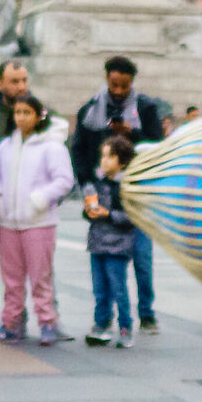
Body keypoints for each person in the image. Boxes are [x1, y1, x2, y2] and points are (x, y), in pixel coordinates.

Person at [69, 56, 169, 335]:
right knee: (106, 259)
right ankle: (105, 318)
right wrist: (86, 185)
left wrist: (131, 134)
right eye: (114, 85)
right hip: (102, 191)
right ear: (106, 79)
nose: (119, 91)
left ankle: (146, 313)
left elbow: (156, 147)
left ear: (132, 83)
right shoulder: (90, 110)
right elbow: (78, 149)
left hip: (136, 192)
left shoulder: (146, 108)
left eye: (125, 86)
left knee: (142, 257)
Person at [0, 93, 75, 346]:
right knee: (11, 278)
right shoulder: (5, 146)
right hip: (9, 221)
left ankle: (47, 323)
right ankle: (11, 323)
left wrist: (40, 199)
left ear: (37, 116)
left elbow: (64, 180)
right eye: (18, 113)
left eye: (27, 113)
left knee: (40, 276)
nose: (21, 118)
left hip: (39, 222)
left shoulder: (51, 147)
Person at [83, 134, 140, 347]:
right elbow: (90, 210)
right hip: (98, 243)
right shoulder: (97, 184)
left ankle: (125, 327)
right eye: (102, 156)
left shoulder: (125, 187)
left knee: (118, 288)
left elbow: (132, 217)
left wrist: (108, 214)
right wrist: (88, 211)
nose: (104, 160)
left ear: (122, 161)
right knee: (99, 289)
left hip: (118, 245)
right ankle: (101, 325)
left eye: (110, 156)